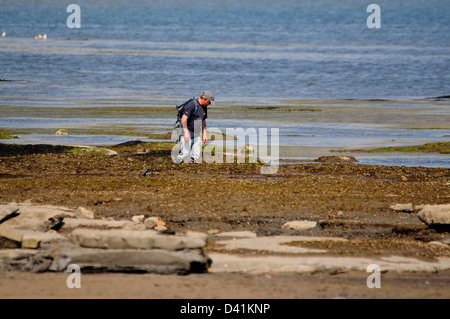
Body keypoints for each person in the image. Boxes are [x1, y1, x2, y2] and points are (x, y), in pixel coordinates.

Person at [176, 91, 215, 164]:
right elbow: (184, 119)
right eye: (209, 102)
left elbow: (203, 120)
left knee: (196, 155)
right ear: (204, 99)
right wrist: (186, 132)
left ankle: (193, 164)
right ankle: (176, 165)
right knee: (185, 153)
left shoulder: (204, 107)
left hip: (196, 131)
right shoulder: (192, 105)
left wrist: (204, 134)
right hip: (185, 130)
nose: (209, 104)